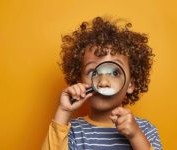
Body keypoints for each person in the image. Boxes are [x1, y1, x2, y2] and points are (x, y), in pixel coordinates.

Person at [42, 16, 163, 150]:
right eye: (93, 72)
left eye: (115, 73)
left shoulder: (145, 130)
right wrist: (63, 111)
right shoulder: (72, 132)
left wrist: (135, 136)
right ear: (80, 82)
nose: (103, 82)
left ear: (130, 84)